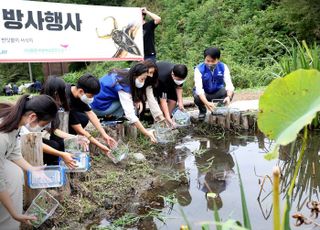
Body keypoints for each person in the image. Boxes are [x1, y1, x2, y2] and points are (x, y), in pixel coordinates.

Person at [0, 94, 58, 228]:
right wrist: (14, 213)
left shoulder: (15, 122)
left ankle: (8, 221)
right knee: (10, 177)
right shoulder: (2, 136)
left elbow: (14, 152)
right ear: (32, 117)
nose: (42, 129)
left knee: (15, 173)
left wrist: (32, 169)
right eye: (42, 125)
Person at [91, 63, 158, 143]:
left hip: (96, 100)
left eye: (144, 79)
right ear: (135, 76)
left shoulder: (127, 72)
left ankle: (112, 116)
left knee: (129, 102)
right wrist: (146, 132)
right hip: (98, 107)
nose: (143, 82)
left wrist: (136, 100)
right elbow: (130, 114)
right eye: (142, 79)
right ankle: (112, 118)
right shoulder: (123, 88)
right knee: (127, 106)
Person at [65, 73, 117, 158]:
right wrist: (100, 146)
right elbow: (80, 129)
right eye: (91, 96)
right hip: (56, 121)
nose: (92, 98)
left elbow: (90, 113)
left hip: (72, 114)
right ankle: (69, 138)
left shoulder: (77, 92)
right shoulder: (67, 100)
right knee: (79, 123)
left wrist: (105, 135)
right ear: (81, 91)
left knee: (84, 118)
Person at [39, 76, 86, 168]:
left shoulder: (51, 103)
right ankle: (50, 166)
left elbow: (52, 129)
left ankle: (62, 164)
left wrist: (75, 137)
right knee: (55, 145)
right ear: (56, 93)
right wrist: (75, 137)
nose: (65, 93)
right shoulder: (44, 105)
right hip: (34, 137)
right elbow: (51, 129)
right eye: (63, 90)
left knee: (61, 142)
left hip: (45, 134)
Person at [193, 47, 235, 121]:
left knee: (228, 92)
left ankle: (219, 108)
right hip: (204, 93)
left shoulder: (223, 67)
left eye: (213, 61)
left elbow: (229, 84)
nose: (210, 63)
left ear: (218, 59)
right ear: (204, 59)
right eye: (207, 61)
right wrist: (206, 103)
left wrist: (228, 96)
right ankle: (202, 111)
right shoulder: (199, 69)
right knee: (196, 96)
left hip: (217, 91)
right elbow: (199, 89)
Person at [155, 61, 188, 126]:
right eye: (178, 79)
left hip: (170, 81)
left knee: (173, 101)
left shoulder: (181, 72)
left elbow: (178, 88)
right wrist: (166, 116)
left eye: (181, 80)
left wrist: (181, 104)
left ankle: (168, 120)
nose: (180, 81)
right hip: (157, 82)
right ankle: (160, 120)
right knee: (161, 105)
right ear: (173, 74)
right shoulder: (163, 78)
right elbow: (163, 101)